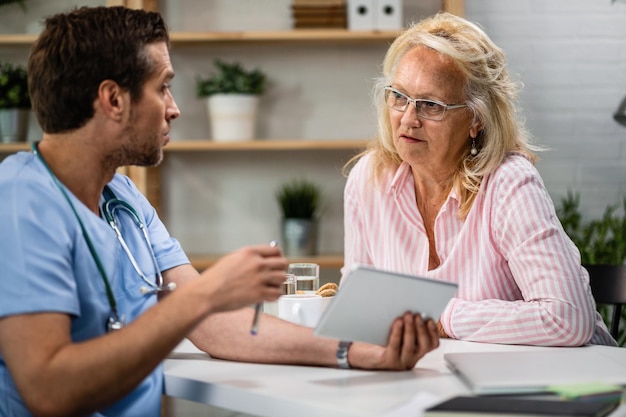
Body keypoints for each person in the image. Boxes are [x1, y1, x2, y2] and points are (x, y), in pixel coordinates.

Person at [0, 6, 440, 417]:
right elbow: (47, 388)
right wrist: (205, 294)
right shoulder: (22, 204)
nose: (174, 108)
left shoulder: (122, 199)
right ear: (113, 100)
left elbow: (214, 325)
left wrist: (357, 351)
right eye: (163, 86)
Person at [341, 12, 616, 347]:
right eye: (399, 96)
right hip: (442, 377)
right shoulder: (369, 179)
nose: (408, 119)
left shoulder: (508, 183)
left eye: (430, 105)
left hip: (564, 383)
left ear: (477, 119)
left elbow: (567, 319)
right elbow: (358, 307)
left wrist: (440, 317)